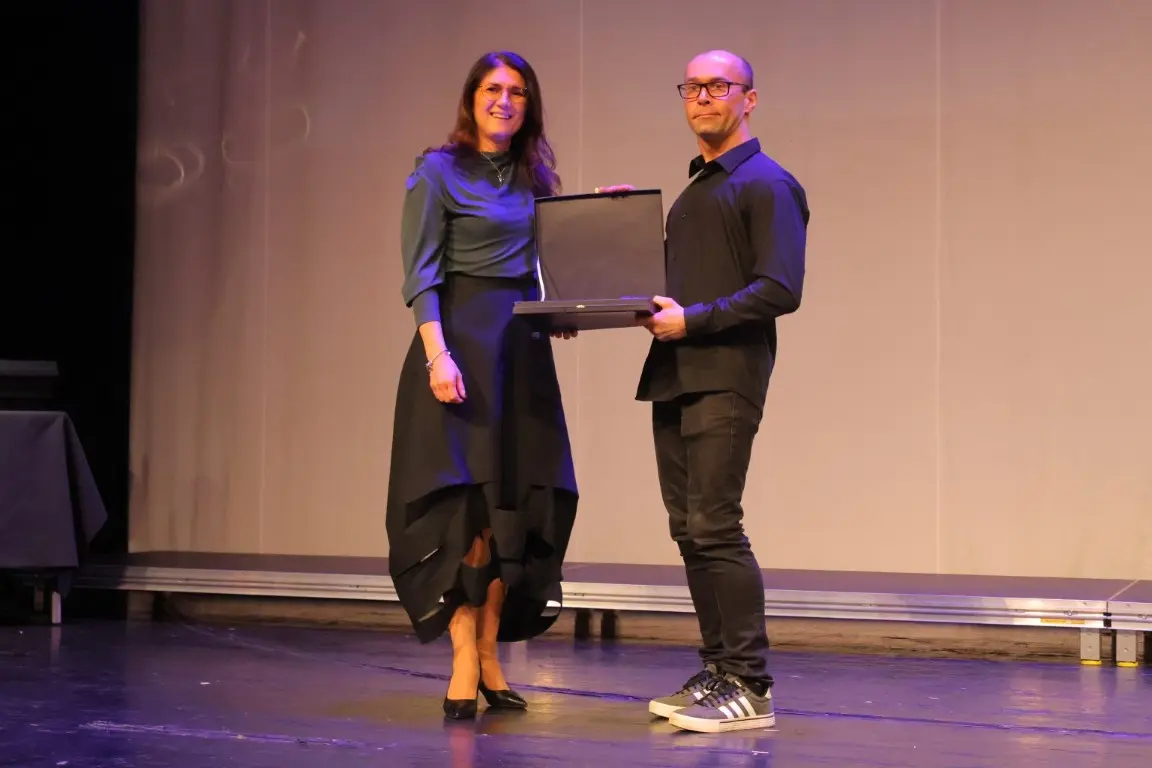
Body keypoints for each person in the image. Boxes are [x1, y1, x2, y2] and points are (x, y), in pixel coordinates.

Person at [600, 49, 808, 733]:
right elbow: (668, 286)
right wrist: (618, 229)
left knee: (716, 524)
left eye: (719, 85)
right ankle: (720, 668)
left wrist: (693, 321)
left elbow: (780, 289)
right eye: (692, 87)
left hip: (726, 372)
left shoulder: (767, 184)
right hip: (676, 374)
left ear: (750, 99)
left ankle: (749, 682)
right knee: (690, 529)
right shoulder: (695, 192)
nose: (703, 97)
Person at [386, 50, 579, 721]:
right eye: (493, 89)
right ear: (471, 98)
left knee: (512, 505)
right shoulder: (437, 172)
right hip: (459, 348)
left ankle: (492, 653)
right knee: (465, 508)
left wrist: (600, 221)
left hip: (520, 354)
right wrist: (437, 355)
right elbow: (421, 273)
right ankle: (464, 657)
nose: (505, 101)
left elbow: (547, 267)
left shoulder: (535, 178)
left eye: (518, 92)